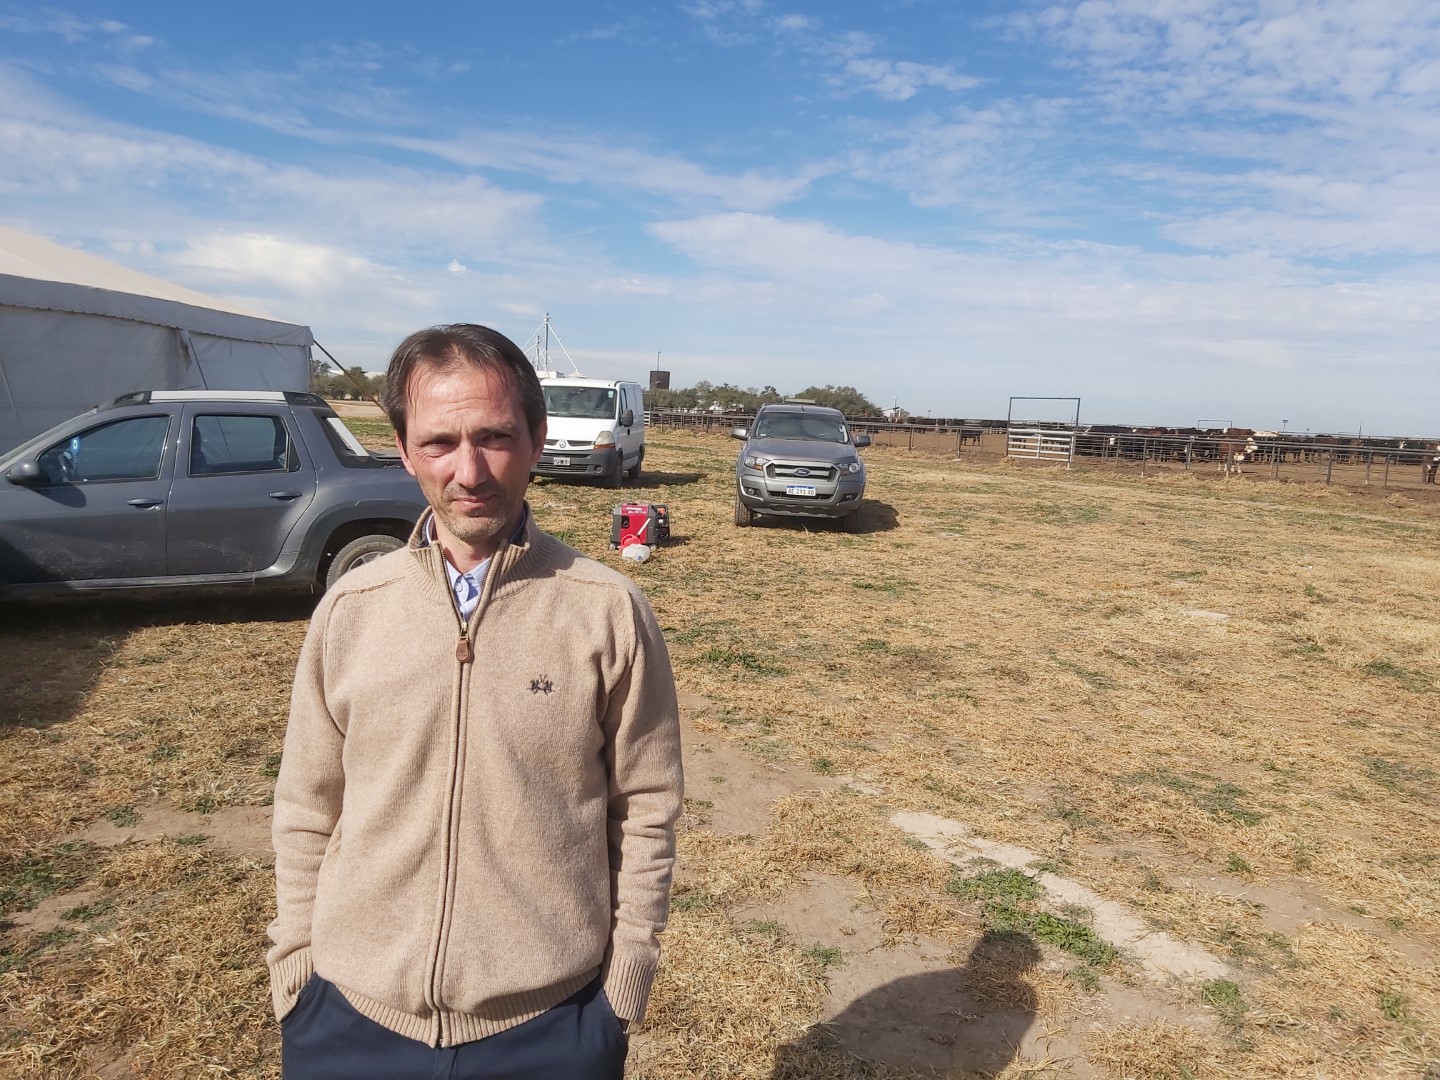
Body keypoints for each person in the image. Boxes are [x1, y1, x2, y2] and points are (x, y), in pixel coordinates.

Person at [267, 323, 683, 1079]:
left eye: (495, 437)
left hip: (551, 1027)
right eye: (438, 443)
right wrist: (298, 970)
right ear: (402, 448)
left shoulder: (607, 611)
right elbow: (306, 805)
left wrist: (621, 990)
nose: (470, 471)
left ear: (536, 437)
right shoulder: (351, 609)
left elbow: (648, 806)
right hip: (348, 1019)